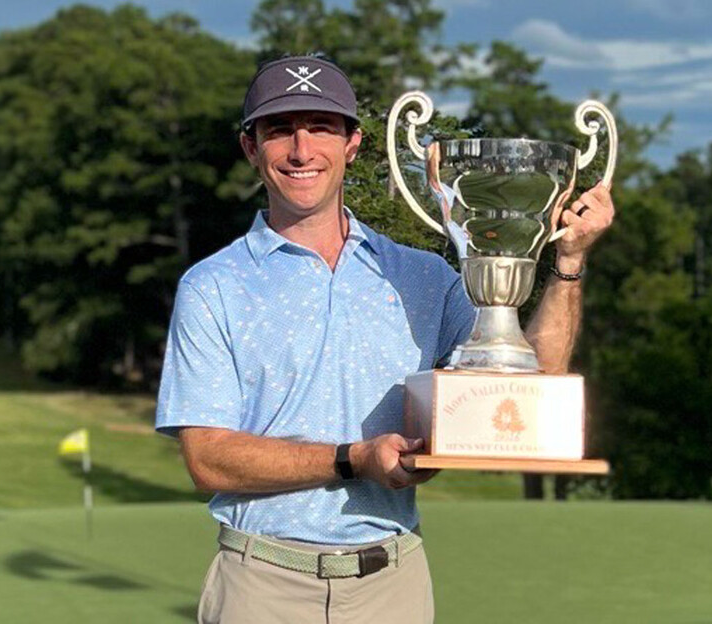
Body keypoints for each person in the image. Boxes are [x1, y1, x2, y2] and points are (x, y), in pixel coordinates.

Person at [155, 55, 615, 624]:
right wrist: (353, 459)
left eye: (321, 127)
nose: (302, 150)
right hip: (260, 585)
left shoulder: (425, 276)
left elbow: (528, 387)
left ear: (352, 144)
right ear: (252, 148)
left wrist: (568, 259)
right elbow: (208, 460)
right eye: (280, 131)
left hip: (390, 586)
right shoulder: (213, 286)